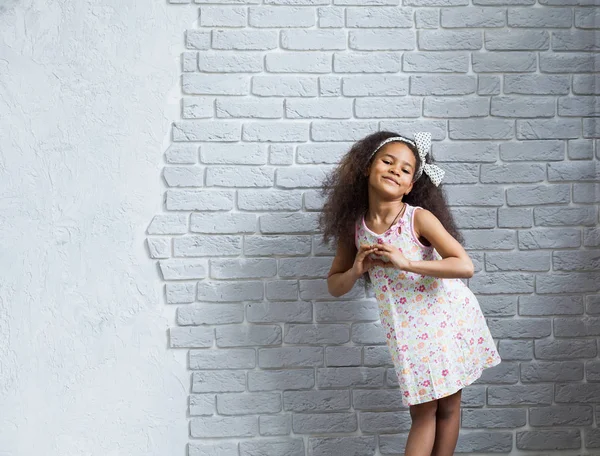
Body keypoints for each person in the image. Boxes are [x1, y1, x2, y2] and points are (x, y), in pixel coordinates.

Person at [320, 131, 501, 456]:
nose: (394, 170)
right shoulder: (355, 229)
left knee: (441, 408)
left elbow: (464, 265)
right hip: (406, 331)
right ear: (366, 167)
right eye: (387, 161)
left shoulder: (418, 218)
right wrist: (356, 270)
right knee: (426, 409)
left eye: (405, 170)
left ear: (410, 185)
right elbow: (334, 285)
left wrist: (406, 263)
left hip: (446, 317)